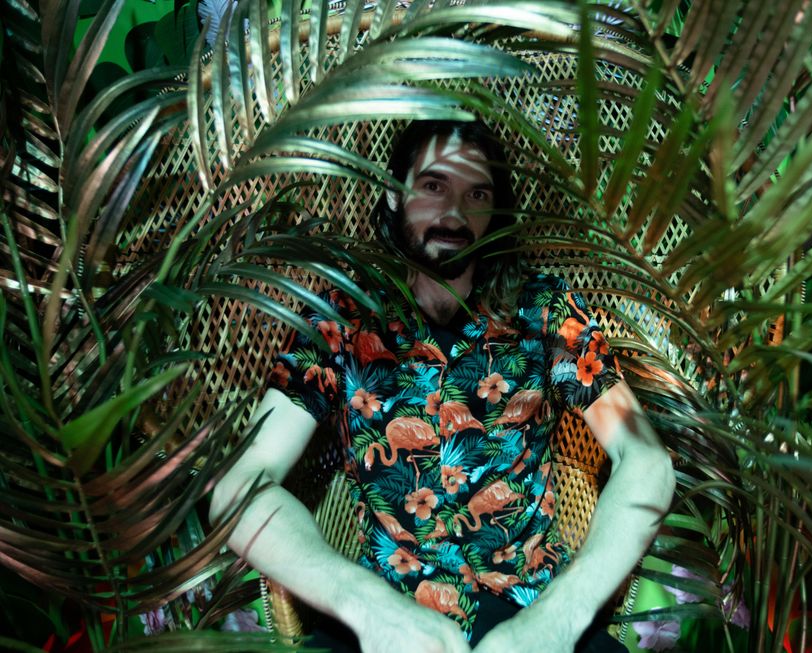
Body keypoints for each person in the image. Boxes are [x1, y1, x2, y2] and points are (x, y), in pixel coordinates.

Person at [209, 119, 675, 653]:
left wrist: (560, 618)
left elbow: (647, 460)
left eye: (477, 194)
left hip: (530, 612)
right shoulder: (341, 320)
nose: (454, 214)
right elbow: (238, 486)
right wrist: (365, 605)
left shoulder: (543, 310)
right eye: (434, 186)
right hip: (385, 618)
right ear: (393, 193)